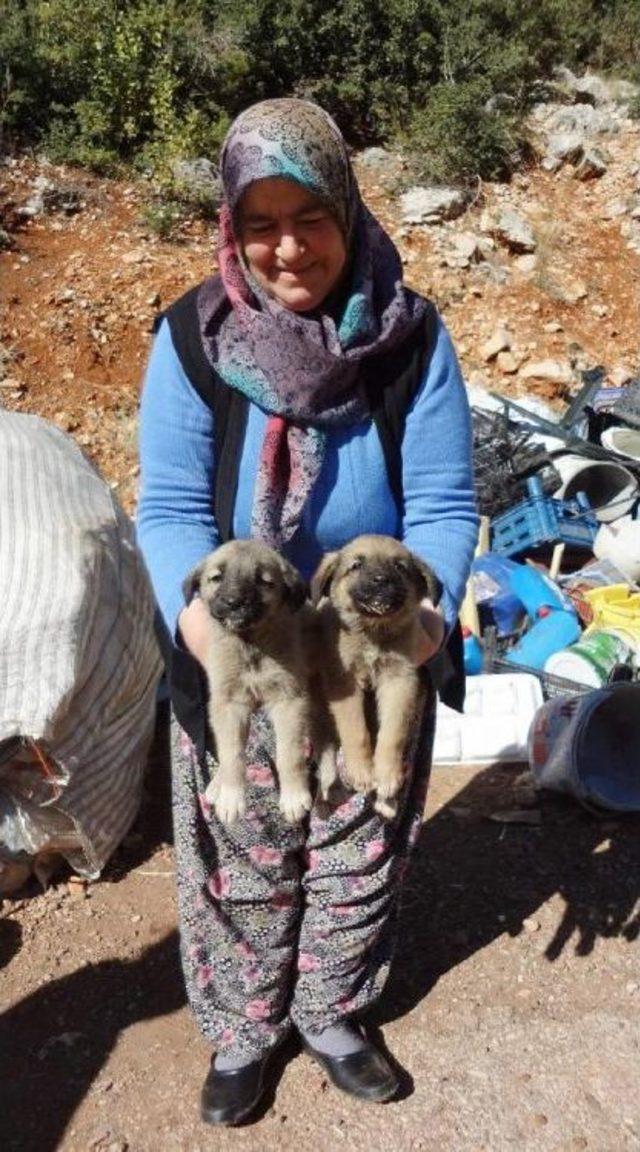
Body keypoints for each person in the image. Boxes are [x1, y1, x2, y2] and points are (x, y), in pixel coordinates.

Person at [137, 98, 478, 1127]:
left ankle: (332, 1013)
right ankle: (245, 1031)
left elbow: (446, 503)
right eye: (260, 222)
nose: (288, 246)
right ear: (233, 230)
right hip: (240, 636)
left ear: (348, 207)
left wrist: (426, 624)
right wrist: (206, 638)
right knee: (242, 846)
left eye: (311, 215)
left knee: (357, 838)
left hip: (374, 635)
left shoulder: (408, 342)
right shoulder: (196, 342)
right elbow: (168, 509)